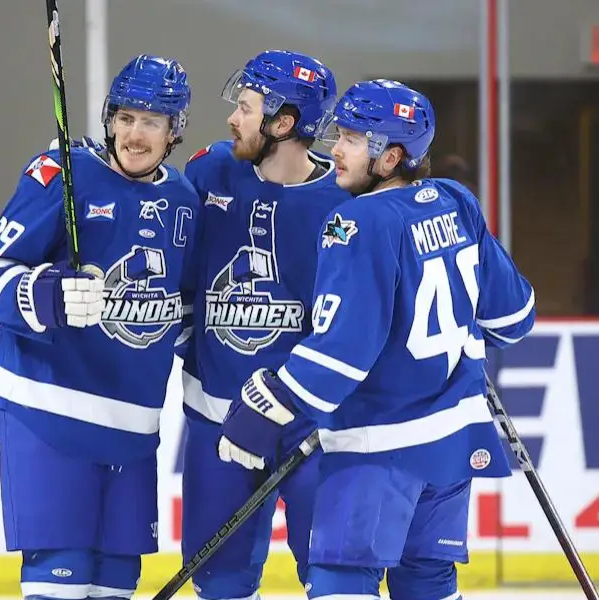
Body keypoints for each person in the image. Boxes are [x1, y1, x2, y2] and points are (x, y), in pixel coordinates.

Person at [216, 79, 536, 600]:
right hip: (453, 441)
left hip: (380, 448)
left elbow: (342, 352)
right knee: (428, 580)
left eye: (352, 140)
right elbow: (514, 319)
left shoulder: (355, 221)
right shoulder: (457, 201)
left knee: (343, 578)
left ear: (391, 158)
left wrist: (268, 405)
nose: (335, 150)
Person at [0, 54, 197, 600]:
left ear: (174, 133)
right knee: (61, 576)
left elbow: (184, 314)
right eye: (125, 117)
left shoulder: (185, 201)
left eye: (151, 122)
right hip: (47, 413)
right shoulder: (63, 176)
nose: (134, 133)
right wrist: (45, 293)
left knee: (116, 581)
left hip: (135, 429)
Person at [178, 49, 347, 599]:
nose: (232, 118)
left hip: (313, 429)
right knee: (220, 583)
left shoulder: (344, 204)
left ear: (284, 123)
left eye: (247, 108)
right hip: (216, 419)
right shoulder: (208, 171)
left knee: (335, 576)